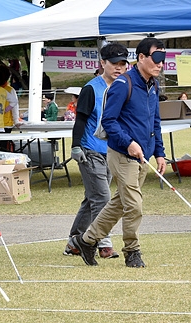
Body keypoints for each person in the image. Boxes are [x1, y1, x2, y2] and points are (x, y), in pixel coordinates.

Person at [73, 37, 168, 268]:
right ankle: (132, 251)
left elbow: (155, 121)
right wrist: (128, 143)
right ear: (142, 58)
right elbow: (109, 121)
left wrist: (160, 152)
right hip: (121, 154)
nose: (160, 64)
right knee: (134, 204)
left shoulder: (153, 85)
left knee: (118, 203)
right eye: (156, 58)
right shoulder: (122, 84)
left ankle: (87, 240)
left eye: (163, 59)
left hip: (142, 156)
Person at [65, 43, 130, 261]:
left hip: (111, 150)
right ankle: (104, 244)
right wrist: (75, 146)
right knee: (103, 197)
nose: (118, 68)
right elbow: (81, 119)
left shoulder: (123, 87)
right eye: (114, 64)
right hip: (89, 149)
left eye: (122, 64)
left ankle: (74, 241)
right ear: (102, 63)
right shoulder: (91, 89)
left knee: (91, 198)